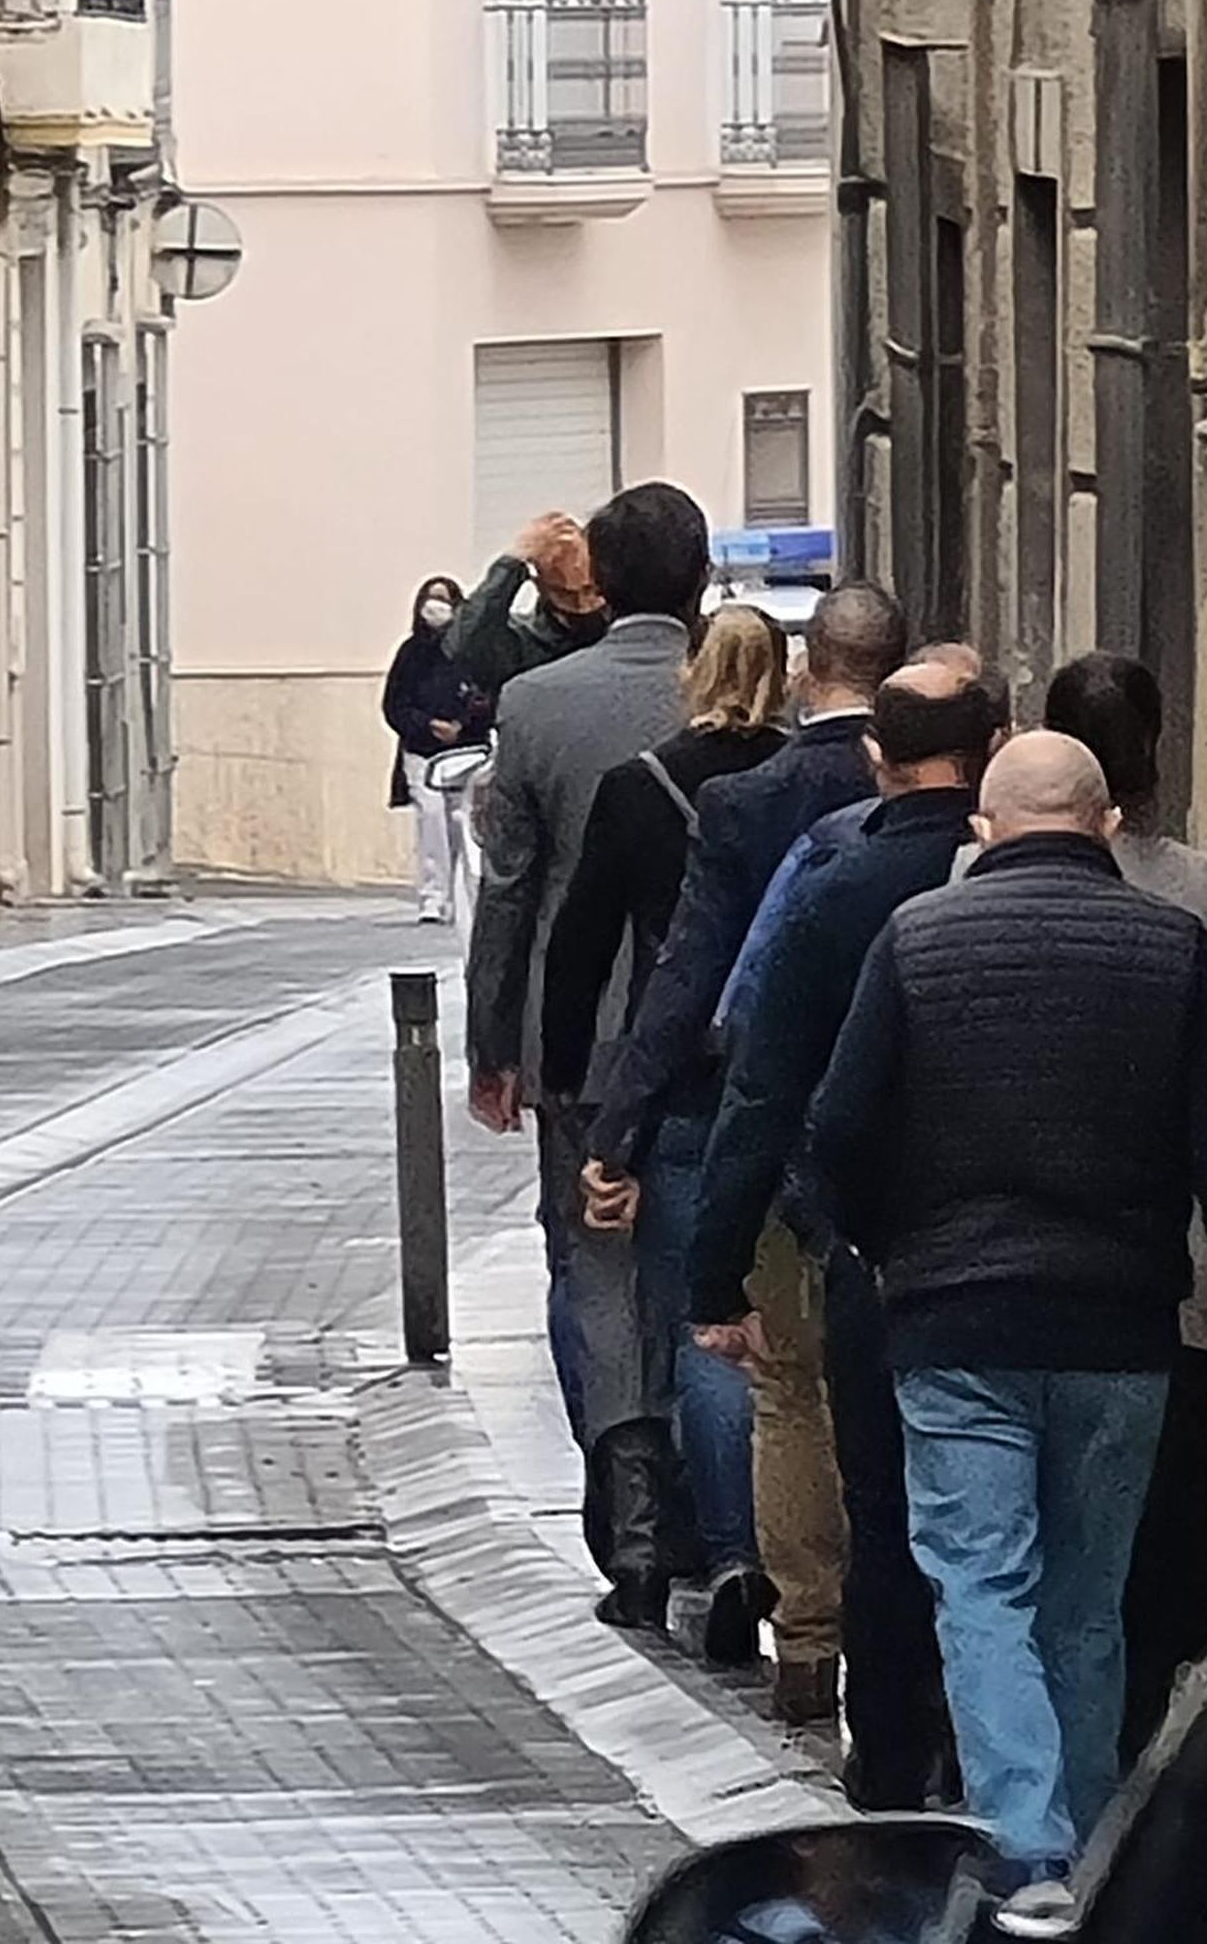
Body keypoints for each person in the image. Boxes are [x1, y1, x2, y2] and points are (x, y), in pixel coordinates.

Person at [801, 731, 1207, 1939]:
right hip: (1119, 1323)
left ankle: (1029, 1851)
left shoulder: (916, 939)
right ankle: (1087, 1849)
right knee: (1087, 1597)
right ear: (1108, 823)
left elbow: (835, 1129)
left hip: (954, 1321)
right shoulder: (1170, 948)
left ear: (983, 827)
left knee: (979, 1583)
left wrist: (879, 1252)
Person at [583, 580, 908, 1725]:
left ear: (813, 667)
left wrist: (617, 1125)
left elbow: (695, 982)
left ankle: (805, 1639)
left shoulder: (757, 805)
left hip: (768, 1137)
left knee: (782, 1390)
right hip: (911, 1161)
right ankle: (896, 1640)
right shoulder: (956, 812)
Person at [693, 656, 1007, 1806]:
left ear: (876, 756)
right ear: (990, 747)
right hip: (1032, 1252)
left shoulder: (835, 884)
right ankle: (1005, 1763)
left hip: (878, 1251)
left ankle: (887, 1757)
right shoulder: (1022, 883)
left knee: (884, 1507)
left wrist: (715, 1270)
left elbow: (760, 1087)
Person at [466, 481, 712, 1629]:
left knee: (593, 1264)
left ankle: (631, 1506)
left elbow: (508, 894)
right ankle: (720, 1519)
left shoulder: (535, 704)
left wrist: (491, 1043)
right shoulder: (735, 693)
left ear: (600, 584)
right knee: (707, 1263)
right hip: (713, 1033)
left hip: (579, 1044)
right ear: (701, 577)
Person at [542, 605, 790, 1662]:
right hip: (794, 1079)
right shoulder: (810, 783)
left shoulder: (638, 789)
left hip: (684, 1078)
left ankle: (710, 1547)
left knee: (701, 1319)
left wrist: (577, 1094)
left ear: (693, 673)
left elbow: (582, 947)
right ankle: (796, 1560)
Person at [1036, 653, 1207, 1763]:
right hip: (1180, 1256)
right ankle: (1156, 1735)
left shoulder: (980, 890)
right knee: (1175, 1517)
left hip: (1049, 1258)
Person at [381, 577, 491, 925]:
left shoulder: (473, 651)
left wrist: (464, 725)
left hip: (467, 753)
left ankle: (464, 896)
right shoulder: (411, 653)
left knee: (463, 824)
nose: (437, 606)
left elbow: (488, 699)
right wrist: (428, 725)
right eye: (431, 599)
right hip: (422, 753)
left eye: (444, 600)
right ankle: (433, 897)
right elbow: (395, 705)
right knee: (430, 821)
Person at [448, 512, 609, 696]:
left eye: (590, 590)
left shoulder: (623, 631)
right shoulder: (522, 641)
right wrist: (513, 562)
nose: (582, 605)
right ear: (541, 587)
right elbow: (463, 648)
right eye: (564, 594)